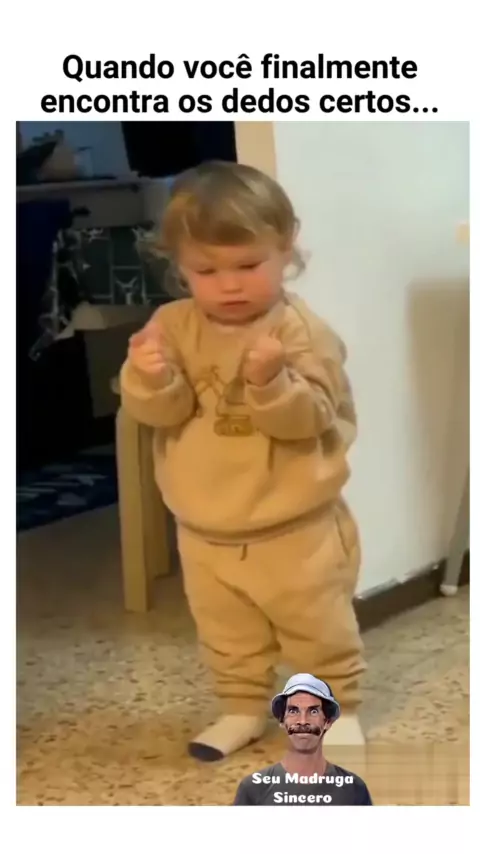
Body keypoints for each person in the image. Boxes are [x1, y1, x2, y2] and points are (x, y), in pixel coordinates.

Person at [120, 161, 366, 761]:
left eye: (248, 265)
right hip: (205, 528)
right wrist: (148, 377)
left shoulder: (301, 331)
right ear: (180, 266)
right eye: (206, 271)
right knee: (227, 633)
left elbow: (312, 419)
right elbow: (159, 413)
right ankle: (241, 708)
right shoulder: (172, 325)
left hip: (294, 528)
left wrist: (269, 381)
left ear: (286, 248)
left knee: (317, 630)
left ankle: (333, 710)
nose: (229, 285)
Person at [233, 674, 372, 805]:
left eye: (313, 711)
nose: (303, 721)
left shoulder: (354, 788)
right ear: (282, 721)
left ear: (327, 722)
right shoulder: (254, 789)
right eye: (293, 711)